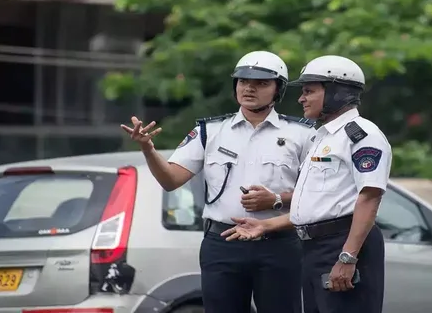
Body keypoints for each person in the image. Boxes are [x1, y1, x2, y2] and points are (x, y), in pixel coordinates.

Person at [121, 51, 316, 313]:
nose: (249, 88)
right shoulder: (210, 131)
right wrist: (148, 149)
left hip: (279, 244)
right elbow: (170, 180)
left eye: (261, 83)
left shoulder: (303, 134)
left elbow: (317, 193)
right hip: (223, 244)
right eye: (243, 81)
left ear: (278, 89)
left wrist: (277, 199)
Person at [221, 55, 392, 313]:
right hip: (314, 247)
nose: (301, 98)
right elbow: (315, 205)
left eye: (309, 91)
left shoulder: (361, 135)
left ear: (337, 93)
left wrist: (348, 256)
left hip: (341, 244)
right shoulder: (323, 138)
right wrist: (266, 224)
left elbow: (369, 198)